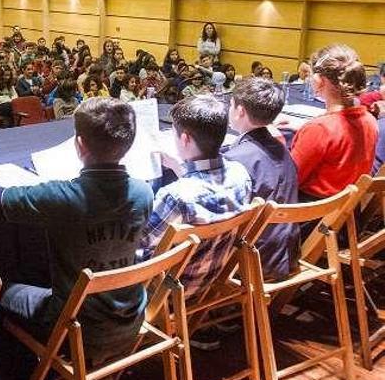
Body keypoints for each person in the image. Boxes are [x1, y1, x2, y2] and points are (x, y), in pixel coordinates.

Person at [0, 97, 153, 380]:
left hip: (76, 327)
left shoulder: (63, 197)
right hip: (131, 318)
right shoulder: (144, 192)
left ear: (80, 145)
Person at [141, 95, 252, 304]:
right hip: (209, 283)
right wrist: (180, 169)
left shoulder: (176, 196)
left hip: (168, 293)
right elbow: (208, 197)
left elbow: (140, 244)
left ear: (184, 139)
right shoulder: (241, 175)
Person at [223, 78, 299, 280]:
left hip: (254, 261)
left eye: (230, 105)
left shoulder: (236, 159)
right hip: (288, 252)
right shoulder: (283, 148)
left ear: (239, 111)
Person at [289, 44, 378, 200]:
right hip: (346, 213)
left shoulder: (319, 129)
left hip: (310, 215)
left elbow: (290, 180)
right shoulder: (370, 120)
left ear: (318, 81)